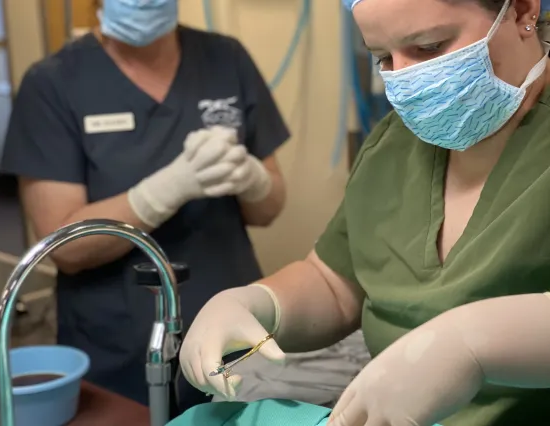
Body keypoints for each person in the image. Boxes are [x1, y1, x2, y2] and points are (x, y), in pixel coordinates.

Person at [179, 0, 550, 425]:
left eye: (429, 47)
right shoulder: (394, 145)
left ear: (522, 10)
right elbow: (336, 283)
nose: (406, 74)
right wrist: (258, 304)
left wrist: (475, 344)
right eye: (383, 58)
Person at [0, 0, 289, 411]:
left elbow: (268, 210)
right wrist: (165, 190)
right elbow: (64, 248)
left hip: (231, 332)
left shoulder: (226, 58)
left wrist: (253, 180)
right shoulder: (53, 84)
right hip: (119, 350)